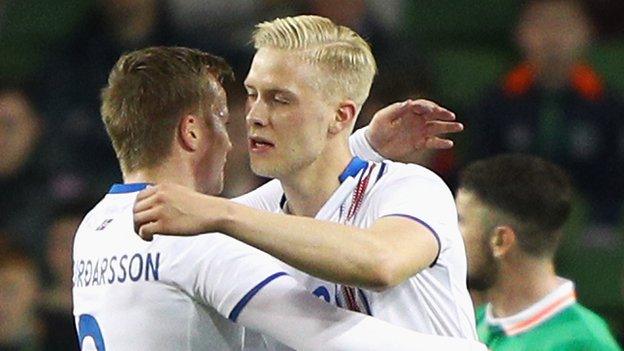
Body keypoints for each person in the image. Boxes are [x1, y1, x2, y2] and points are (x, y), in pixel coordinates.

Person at [73, 46, 485, 350]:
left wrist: (356, 144)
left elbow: (267, 202)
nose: (241, 130)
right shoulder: (201, 238)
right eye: (223, 117)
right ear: (192, 132)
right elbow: (325, 332)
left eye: (277, 98)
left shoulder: (95, 228)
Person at [468, 0, 624, 223]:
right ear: (519, 34)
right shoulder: (495, 102)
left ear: (588, 33)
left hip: (591, 229)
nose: (552, 37)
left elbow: (613, 180)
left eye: (564, 25)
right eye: (540, 25)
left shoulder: (608, 104)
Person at [455, 154, 621, 350]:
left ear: (500, 241)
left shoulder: (584, 343)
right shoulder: (473, 326)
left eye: (460, 220)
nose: (449, 235)